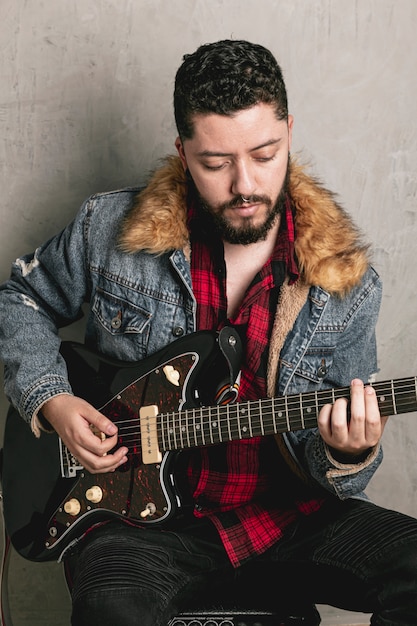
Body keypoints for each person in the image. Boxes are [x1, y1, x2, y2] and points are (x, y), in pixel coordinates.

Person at [1, 39, 417, 626]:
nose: (245, 185)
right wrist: (54, 399)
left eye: (265, 154)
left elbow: (339, 474)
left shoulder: (345, 281)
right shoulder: (108, 229)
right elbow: (18, 297)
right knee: (111, 610)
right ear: (183, 151)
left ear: (289, 132)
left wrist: (351, 452)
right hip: (139, 528)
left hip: (284, 521)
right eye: (216, 164)